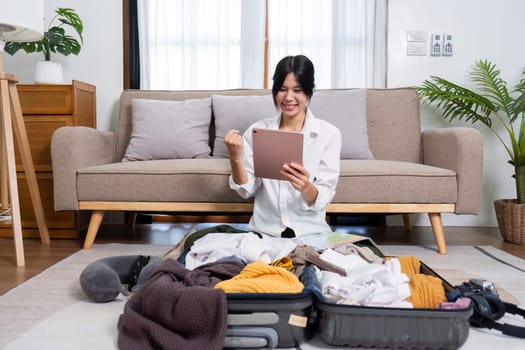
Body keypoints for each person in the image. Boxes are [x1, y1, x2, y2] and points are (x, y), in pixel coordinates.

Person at [224, 55, 342, 238]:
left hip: (310, 233)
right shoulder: (258, 130)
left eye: (297, 90)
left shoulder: (329, 134)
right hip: (265, 232)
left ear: (310, 91)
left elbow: (324, 195)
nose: (288, 98)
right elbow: (247, 189)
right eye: (282, 89)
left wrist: (305, 186)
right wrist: (235, 158)